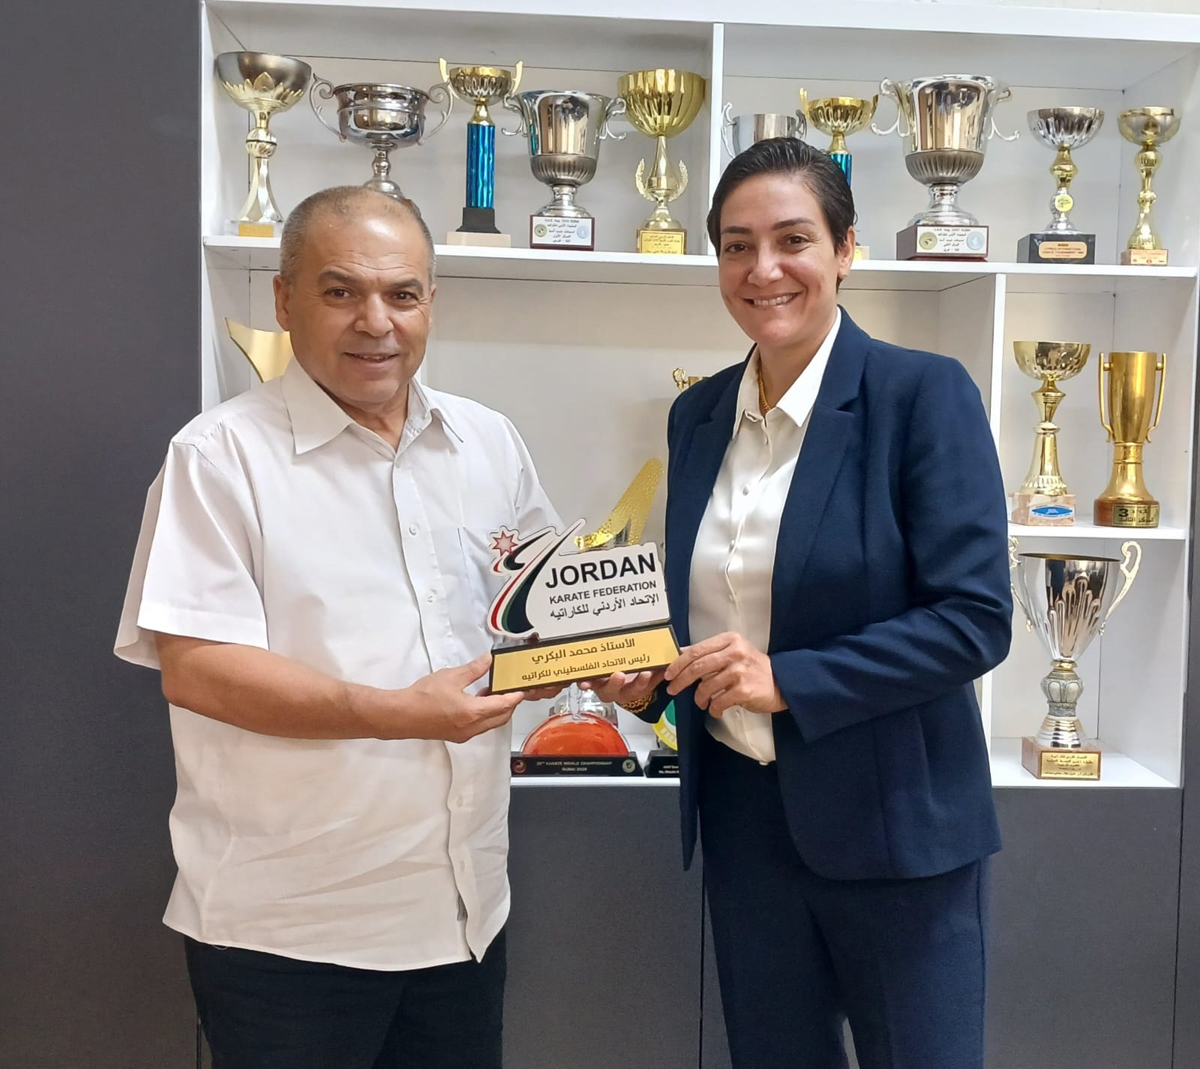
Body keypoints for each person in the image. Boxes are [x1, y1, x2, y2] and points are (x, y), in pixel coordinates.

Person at [114, 185, 560, 1069]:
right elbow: (198, 668)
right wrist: (397, 712)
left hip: (463, 915)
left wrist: (600, 658)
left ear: (431, 301)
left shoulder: (488, 442)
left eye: (402, 293)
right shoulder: (218, 457)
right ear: (285, 300)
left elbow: (539, 610)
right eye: (340, 291)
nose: (376, 322)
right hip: (289, 934)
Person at [592, 138, 1011, 1069]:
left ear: (846, 249)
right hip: (745, 825)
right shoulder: (698, 414)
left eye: (793, 239)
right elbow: (715, 609)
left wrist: (788, 680)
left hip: (896, 828)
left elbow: (974, 618)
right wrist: (650, 679)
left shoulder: (921, 394)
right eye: (737, 246)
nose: (764, 269)